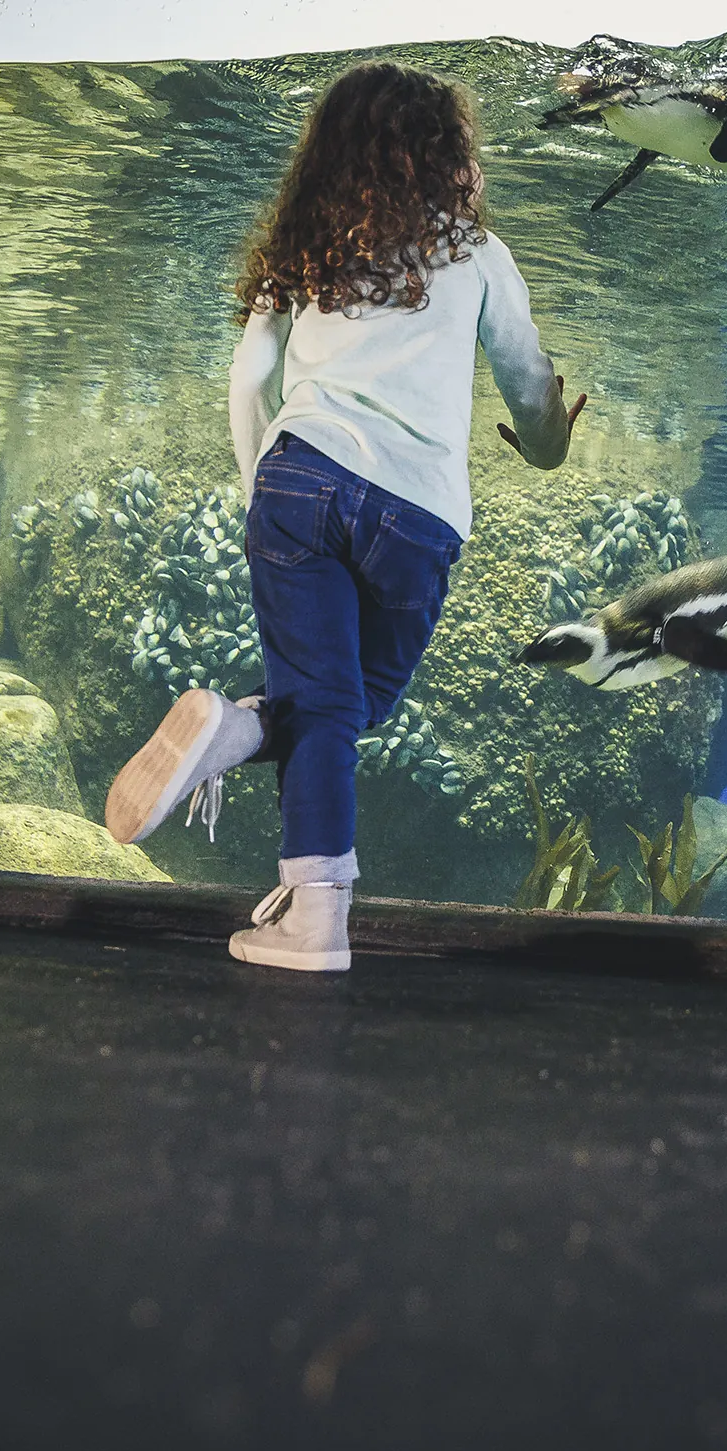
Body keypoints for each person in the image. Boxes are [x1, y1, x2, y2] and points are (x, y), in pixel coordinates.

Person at [102, 62, 584, 973]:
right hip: (417, 515)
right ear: (450, 155)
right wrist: (551, 441)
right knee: (347, 707)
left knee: (327, 704)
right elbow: (529, 388)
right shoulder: (477, 252)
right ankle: (317, 911)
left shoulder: (306, 243)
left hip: (299, 478)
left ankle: (234, 729)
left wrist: (264, 496)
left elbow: (251, 374)